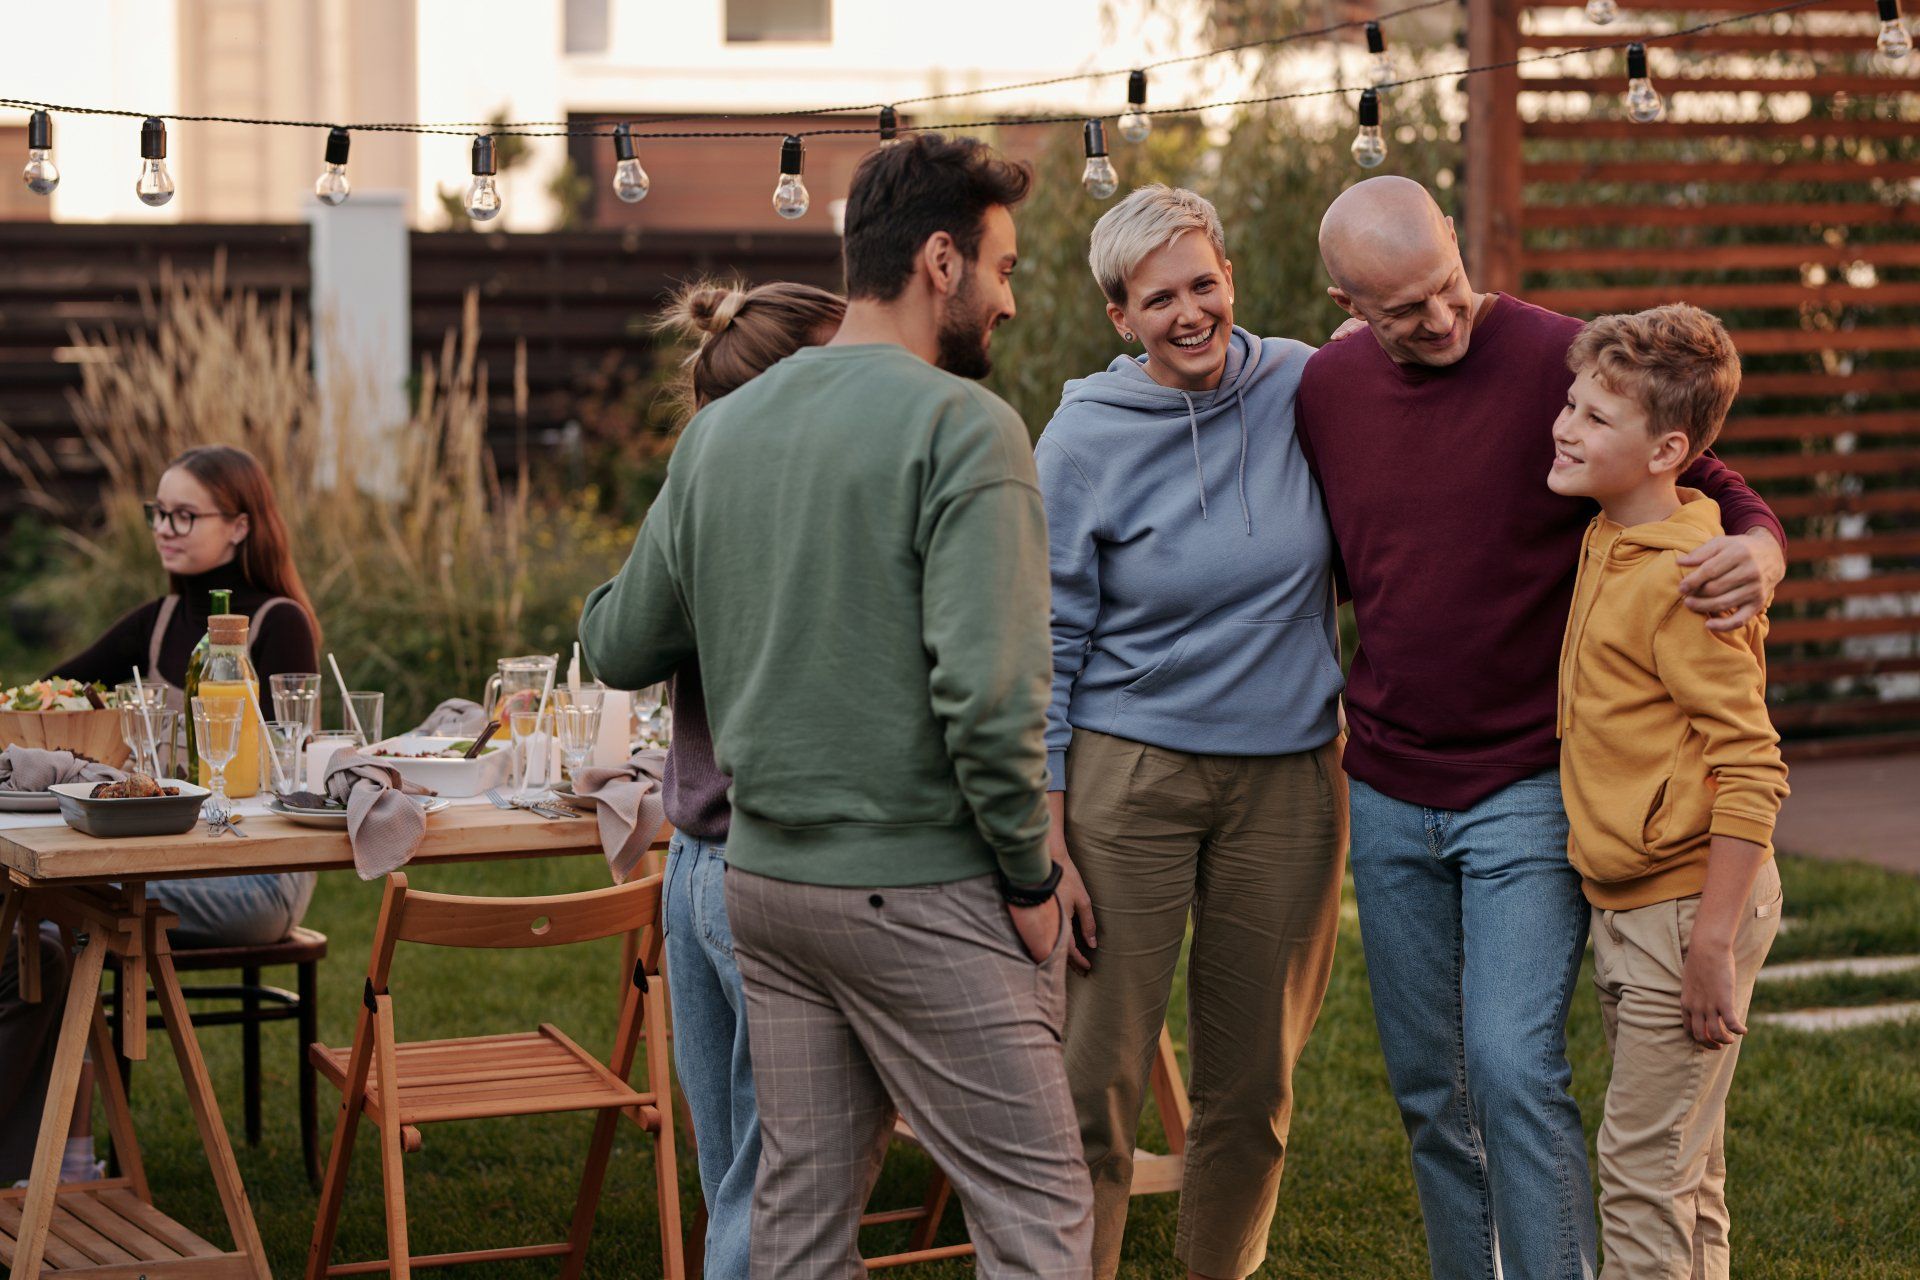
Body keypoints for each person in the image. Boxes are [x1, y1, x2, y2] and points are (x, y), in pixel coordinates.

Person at [580, 133, 1092, 1277]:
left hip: (766, 888)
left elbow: (617, 643)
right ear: (943, 262)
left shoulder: (718, 433)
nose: (1009, 302)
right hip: (918, 881)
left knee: (798, 1228)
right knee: (1040, 1207)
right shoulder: (967, 429)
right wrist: (1030, 879)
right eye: (1005, 269)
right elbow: (992, 689)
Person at [1295, 176, 1786, 1280]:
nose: (1441, 320)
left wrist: (1763, 552)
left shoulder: (1557, 363)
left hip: (1525, 782)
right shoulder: (1325, 387)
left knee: (1513, 1065)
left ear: (1459, 247)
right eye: (1403, 311)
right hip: (1384, 783)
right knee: (1432, 1089)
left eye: (1448, 287)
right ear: (1346, 302)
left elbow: (1698, 469)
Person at [1036, 184, 1344, 1280]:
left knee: (1252, 1080)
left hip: (1292, 780)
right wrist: (1051, 836)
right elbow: (1050, 642)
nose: (1188, 312)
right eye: (1157, 297)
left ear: (1229, 279)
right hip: (1129, 776)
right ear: (1120, 316)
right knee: (1092, 1078)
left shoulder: (1309, 384)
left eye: (1202, 283)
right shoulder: (1081, 438)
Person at [1548, 305, 1788, 1280]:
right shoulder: (1610, 533)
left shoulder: (1693, 578)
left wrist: (1712, 944)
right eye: (1570, 402)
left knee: (1642, 1172)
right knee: (1689, 1165)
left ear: (1669, 449)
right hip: (1634, 900)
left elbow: (1753, 763)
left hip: (1690, 906)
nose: (1565, 425)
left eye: (1597, 418)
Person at [648, 277, 847, 1280]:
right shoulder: (805, 510)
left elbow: (625, 633)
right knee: (778, 1194)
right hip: (765, 862)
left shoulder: (699, 487)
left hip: (690, 865)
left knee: (737, 1169)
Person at [49, 444, 322, 947]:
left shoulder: (278, 623)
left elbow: (288, 768)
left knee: (46, 895)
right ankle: (69, 1021)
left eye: (184, 516)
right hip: (165, 856)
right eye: (159, 513)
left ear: (239, 527)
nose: (163, 529)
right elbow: (53, 691)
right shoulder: (157, 621)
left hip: (256, 875)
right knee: (36, 912)